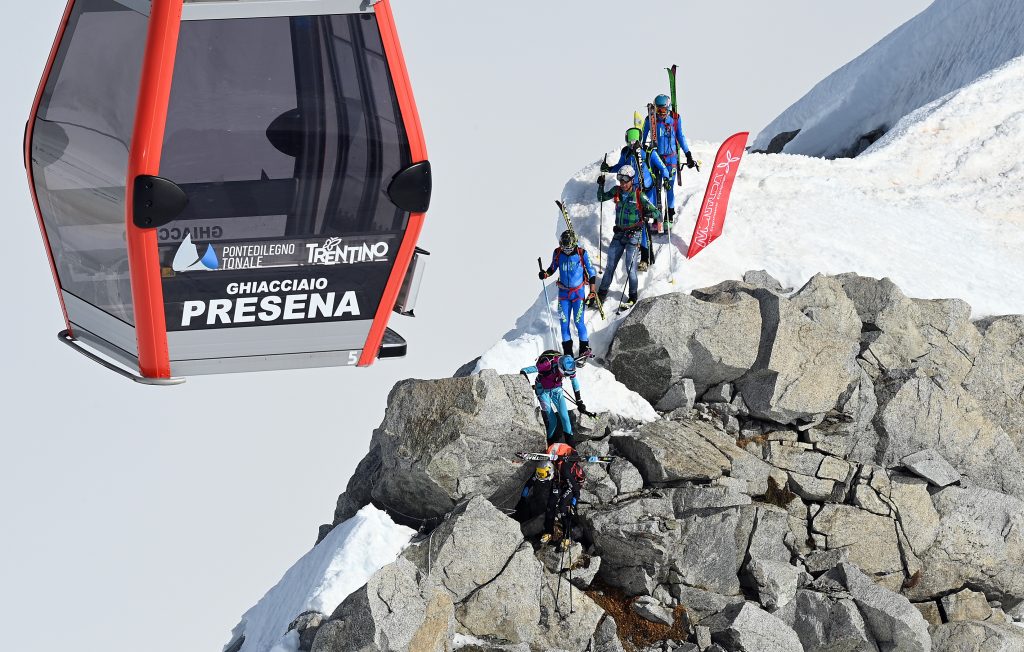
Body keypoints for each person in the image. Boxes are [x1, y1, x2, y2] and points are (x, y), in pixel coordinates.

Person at [596, 165, 661, 310]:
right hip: (619, 233)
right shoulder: (617, 191)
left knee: (630, 268)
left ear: (631, 180)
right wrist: (601, 185)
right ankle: (601, 294)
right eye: (620, 180)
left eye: (625, 180)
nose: (622, 183)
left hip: (634, 235)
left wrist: (648, 215)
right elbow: (600, 197)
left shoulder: (639, 195)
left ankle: (632, 296)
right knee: (610, 266)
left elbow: (658, 213)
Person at [603, 127, 668, 270]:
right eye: (629, 142)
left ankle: (645, 257)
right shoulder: (625, 153)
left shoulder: (648, 152)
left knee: (643, 223)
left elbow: (663, 168)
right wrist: (608, 168)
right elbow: (620, 166)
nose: (632, 145)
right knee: (639, 223)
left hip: (647, 191)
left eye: (634, 142)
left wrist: (667, 180)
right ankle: (641, 253)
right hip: (632, 191)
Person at [539, 230, 597, 360]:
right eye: (564, 248)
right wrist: (545, 274)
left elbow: (592, 272)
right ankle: (568, 354)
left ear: (575, 244)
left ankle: (584, 349)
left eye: (569, 248)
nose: (566, 251)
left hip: (578, 294)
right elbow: (552, 268)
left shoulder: (582, 253)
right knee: (564, 324)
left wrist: (592, 291)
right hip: (564, 294)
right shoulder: (558, 252)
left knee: (578, 322)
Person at [642, 94, 697, 228]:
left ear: (668, 108)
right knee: (655, 187)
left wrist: (688, 154)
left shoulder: (675, 119)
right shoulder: (650, 119)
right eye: (658, 110)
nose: (660, 114)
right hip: (655, 157)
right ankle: (656, 215)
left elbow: (680, 136)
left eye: (663, 110)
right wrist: (640, 149)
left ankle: (669, 215)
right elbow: (642, 136)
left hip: (670, 158)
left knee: (669, 187)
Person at [520, 350, 586, 445]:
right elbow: (524, 370)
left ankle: (571, 446)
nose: (568, 376)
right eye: (566, 374)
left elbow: (574, 381)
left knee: (565, 417)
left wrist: (579, 400)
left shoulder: (569, 365)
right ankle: (549, 443)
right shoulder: (547, 365)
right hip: (542, 391)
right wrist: (525, 382)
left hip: (557, 390)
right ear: (560, 368)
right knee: (553, 420)